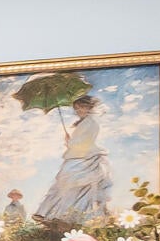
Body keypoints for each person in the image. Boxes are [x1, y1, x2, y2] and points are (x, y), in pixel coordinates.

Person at [34, 92, 116, 226]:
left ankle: (61, 216)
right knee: (63, 185)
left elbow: (84, 143)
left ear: (89, 107)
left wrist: (70, 142)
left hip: (84, 158)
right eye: (76, 108)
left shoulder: (91, 123)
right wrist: (70, 141)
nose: (78, 111)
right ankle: (47, 213)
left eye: (81, 107)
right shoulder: (83, 123)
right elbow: (78, 142)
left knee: (74, 188)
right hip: (76, 156)